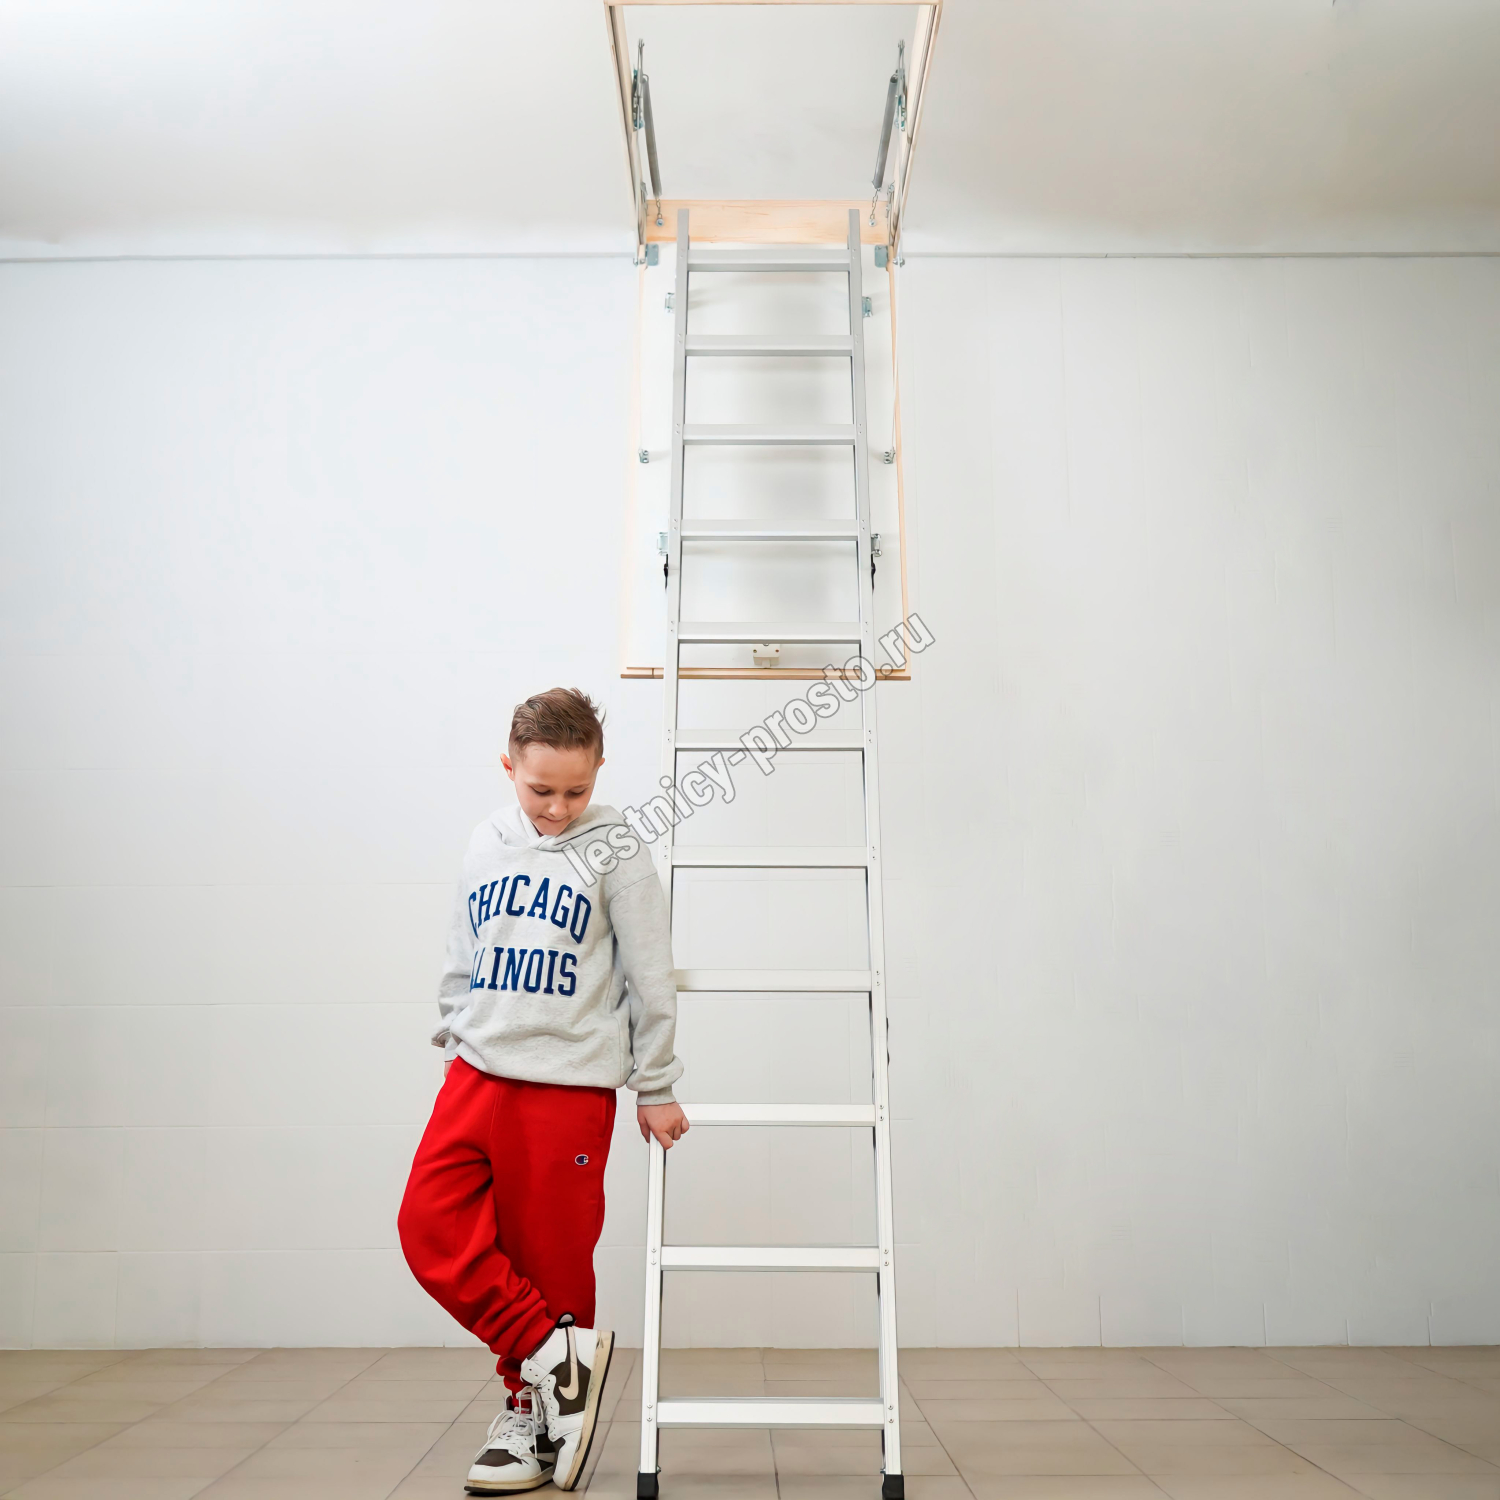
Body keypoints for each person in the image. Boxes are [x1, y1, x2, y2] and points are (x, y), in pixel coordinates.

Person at [398, 688, 688, 1494]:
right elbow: (461, 953)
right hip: (476, 1073)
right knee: (428, 1225)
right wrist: (456, 1036)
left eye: (576, 790)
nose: (558, 808)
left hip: (567, 1086)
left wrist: (656, 1084)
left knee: (550, 1258)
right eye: (541, 790)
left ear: (599, 770)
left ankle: (531, 1415)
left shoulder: (618, 845)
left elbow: (651, 973)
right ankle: (557, 1359)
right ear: (509, 767)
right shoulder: (485, 841)